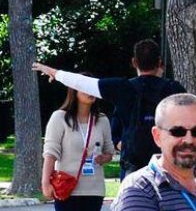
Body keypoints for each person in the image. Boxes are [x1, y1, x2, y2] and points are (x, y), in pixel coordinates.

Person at [34, 39, 184, 178]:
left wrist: (55, 72)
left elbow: (83, 83)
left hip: (133, 167)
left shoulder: (122, 88)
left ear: (134, 62)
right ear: (159, 63)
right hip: (168, 165)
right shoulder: (174, 89)